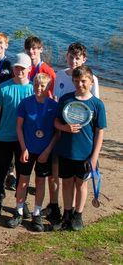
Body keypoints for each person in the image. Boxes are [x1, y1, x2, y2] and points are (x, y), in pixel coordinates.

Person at [54, 66, 106, 231]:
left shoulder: (97, 104)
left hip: (85, 153)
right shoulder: (66, 99)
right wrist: (65, 128)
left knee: (81, 184)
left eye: (83, 81)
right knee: (67, 183)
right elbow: (56, 122)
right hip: (66, 150)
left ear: (91, 82)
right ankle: (67, 213)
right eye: (76, 81)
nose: (80, 84)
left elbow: (100, 132)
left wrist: (94, 157)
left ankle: (78, 215)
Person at [6, 73, 59, 231]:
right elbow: (19, 127)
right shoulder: (25, 103)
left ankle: (36, 214)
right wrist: (24, 148)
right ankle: (19, 211)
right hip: (27, 149)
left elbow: (57, 132)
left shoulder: (53, 106)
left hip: (44, 151)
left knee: (40, 181)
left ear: (48, 87)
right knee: (23, 181)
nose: (39, 88)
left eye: (42, 86)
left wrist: (48, 151)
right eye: (36, 85)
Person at [0, 53, 34, 220]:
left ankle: (21, 203)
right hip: (5, 136)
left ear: (29, 69)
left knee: (23, 173)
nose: (19, 71)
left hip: (25, 140)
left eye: (22, 68)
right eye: (16, 67)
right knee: (0, 172)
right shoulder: (4, 87)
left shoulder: (32, 89)